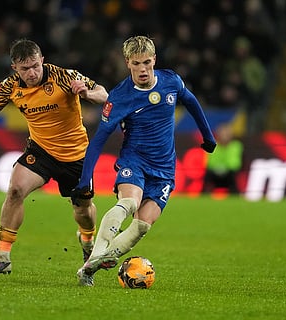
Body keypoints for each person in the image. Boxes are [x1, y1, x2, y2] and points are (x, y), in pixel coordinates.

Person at [71, 36, 216, 286]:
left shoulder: (170, 80)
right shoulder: (119, 97)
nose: (142, 69)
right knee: (129, 202)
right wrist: (85, 180)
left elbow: (190, 101)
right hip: (134, 161)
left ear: (154, 60)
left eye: (147, 62)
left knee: (141, 227)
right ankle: (90, 262)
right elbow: (98, 140)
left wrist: (208, 136)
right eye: (136, 63)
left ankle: (93, 267)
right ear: (128, 63)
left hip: (164, 169)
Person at [0, 39, 108, 276]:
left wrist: (87, 92)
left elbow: (103, 94)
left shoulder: (64, 76)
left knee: (83, 211)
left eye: (36, 66)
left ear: (42, 60)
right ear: (15, 67)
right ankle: (3, 256)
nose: (32, 72)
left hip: (76, 155)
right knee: (15, 190)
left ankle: (87, 242)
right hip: (41, 151)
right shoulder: (9, 86)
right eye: (25, 68)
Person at [203, 122, 243, 195]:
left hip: (229, 174)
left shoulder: (236, 146)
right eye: (223, 134)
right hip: (214, 173)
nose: (224, 136)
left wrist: (224, 168)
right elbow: (210, 163)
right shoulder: (213, 145)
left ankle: (235, 196)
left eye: (227, 134)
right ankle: (203, 196)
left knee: (233, 176)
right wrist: (218, 168)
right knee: (207, 175)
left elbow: (235, 163)